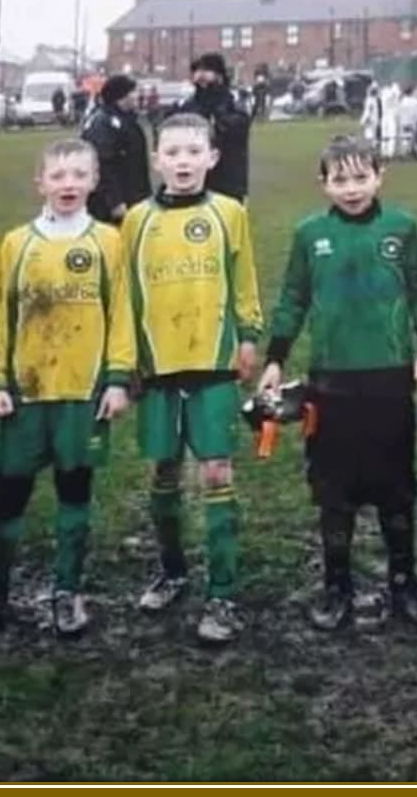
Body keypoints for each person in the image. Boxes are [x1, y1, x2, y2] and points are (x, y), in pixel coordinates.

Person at [259, 135, 417, 631]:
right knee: (333, 489)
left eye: (361, 177)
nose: (352, 188)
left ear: (380, 176)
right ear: (323, 184)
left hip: (389, 380)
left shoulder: (401, 229)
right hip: (331, 384)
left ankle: (404, 582)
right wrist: (276, 357)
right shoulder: (309, 234)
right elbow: (292, 298)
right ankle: (336, 584)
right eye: (340, 179)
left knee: (397, 487)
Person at [0, 139, 134, 640]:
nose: (67, 184)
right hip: (25, 394)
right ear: (40, 183)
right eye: (57, 175)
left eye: (78, 174)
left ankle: (67, 590)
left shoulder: (109, 241)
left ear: (94, 181)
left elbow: (120, 312)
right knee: (8, 497)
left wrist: (119, 378)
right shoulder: (16, 243)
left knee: (73, 491)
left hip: (82, 395)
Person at [119, 112, 263, 644]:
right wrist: (125, 360)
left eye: (192, 151)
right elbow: (127, 295)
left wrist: (248, 335)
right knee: (163, 472)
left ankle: (222, 595)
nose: (182, 162)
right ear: (158, 159)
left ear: (212, 158)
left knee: (217, 475)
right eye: (172, 152)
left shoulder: (229, 213)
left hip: (214, 365)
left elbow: (243, 279)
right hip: (157, 367)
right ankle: (173, 570)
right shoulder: (135, 221)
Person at [174, 53, 252, 203]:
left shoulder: (232, 103)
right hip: (195, 176)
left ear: (219, 75)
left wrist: (216, 116)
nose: (200, 75)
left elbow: (237, 130)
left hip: (228, 178)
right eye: (197, 70)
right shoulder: (189, 105)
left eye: (206, 70)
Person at [81, 74, 151, 224]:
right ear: (122, 95)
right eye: (133, 92)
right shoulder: (103, 123)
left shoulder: (127, 120)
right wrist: (114, 201)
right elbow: (103, 164)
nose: (137, 96)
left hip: (133, 197)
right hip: (112, 206)